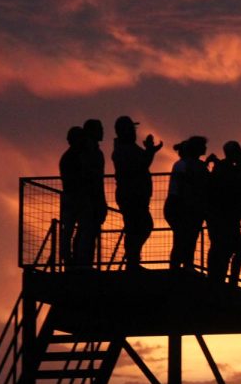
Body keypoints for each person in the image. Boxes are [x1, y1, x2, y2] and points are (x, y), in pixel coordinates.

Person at [111, 115, 163, 269]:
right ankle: (132, 260)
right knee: (140, 226)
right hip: (131, 195)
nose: (134, 131)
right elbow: (141, 164)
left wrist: (150, 150)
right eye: (131, 128)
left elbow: (143, 162)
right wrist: (150, 151)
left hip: (136, 195)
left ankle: (133, 260)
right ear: (124, 131)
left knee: (138, 226)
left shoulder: (127, 148)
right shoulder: (124, 149)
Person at [59, 119, 107, 267]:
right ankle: (80, 262)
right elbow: (91, 175)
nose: (102, 132)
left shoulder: (71, 155)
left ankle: (71, 260)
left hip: (74, 196)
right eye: (99, 129)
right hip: (80, 196)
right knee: (85, 230)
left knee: (72, 230)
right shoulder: (86, 152)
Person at [206, 141, 241, 285]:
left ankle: (223, 279)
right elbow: (230, 186)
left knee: (228, 249)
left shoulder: (226, 167)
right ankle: (221, 279)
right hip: (222, 216)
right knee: (226, 249)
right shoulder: (226, 168)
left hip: (226, 216)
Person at [164, 136, 209, 271]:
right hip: (181, 205)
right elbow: (187, 184)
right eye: (202, 145)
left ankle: (184, 265)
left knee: (188, 237)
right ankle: (178, 267)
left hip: (185, 204)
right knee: (182, 238)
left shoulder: (186, 164)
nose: (205, 147)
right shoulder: (185, 165)